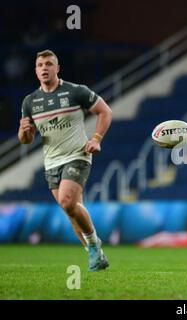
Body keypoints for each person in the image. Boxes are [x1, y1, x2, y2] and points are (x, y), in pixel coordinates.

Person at [18, 49, 112, 271]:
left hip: (78, 155)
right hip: (51, 163)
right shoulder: (30, 101)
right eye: (40, 65)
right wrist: (25, 132)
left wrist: (96, 138)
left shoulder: (76, 91)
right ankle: (96, 255)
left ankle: (93, 245)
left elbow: (105, 112)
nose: (44, 69)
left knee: (67, 202)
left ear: (57, 68)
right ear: (35, 71)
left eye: (49, 64)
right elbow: (26, 140)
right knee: (72, 211)